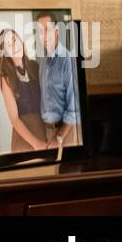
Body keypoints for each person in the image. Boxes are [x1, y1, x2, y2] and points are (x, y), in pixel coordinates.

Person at [35, 12, 80, 149]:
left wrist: (59, 137)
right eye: (40, 31)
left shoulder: (68, 59)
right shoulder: (42, 60)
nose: (44, 35)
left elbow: (74, 107)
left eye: (47, 30)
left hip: (65, 133)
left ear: (56, 31)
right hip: (46, 132)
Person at [0, 28, 48, 152]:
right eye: (9, 44)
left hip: (44, 131)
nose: (15, 46)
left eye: (15, 39)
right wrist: (36, 144)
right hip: (25, 139)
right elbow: (14, 119)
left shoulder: (35, 66)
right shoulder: (7, 77)